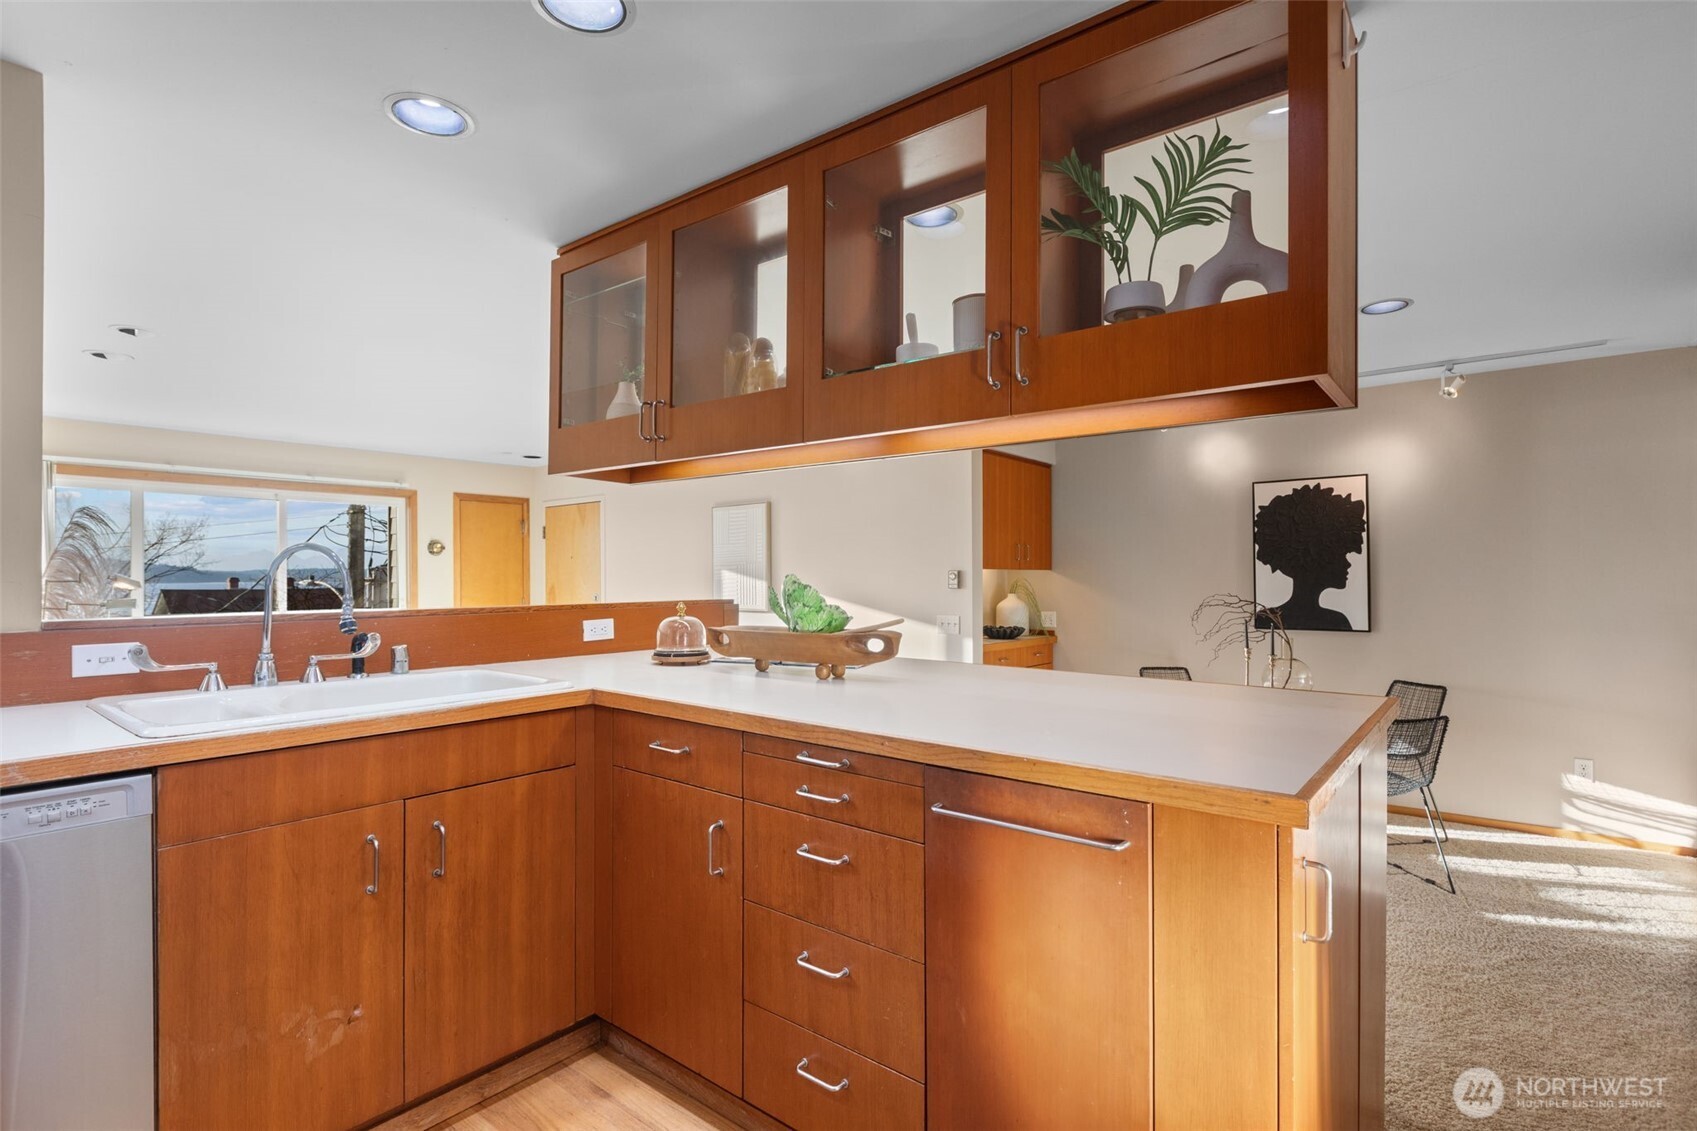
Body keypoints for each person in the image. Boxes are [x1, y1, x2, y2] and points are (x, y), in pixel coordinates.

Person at [1253, 482, 1366, 631]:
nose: (1348, 564)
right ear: (1316, 559)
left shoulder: (1267, 618)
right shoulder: (1335, 621)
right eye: (1341, 556)